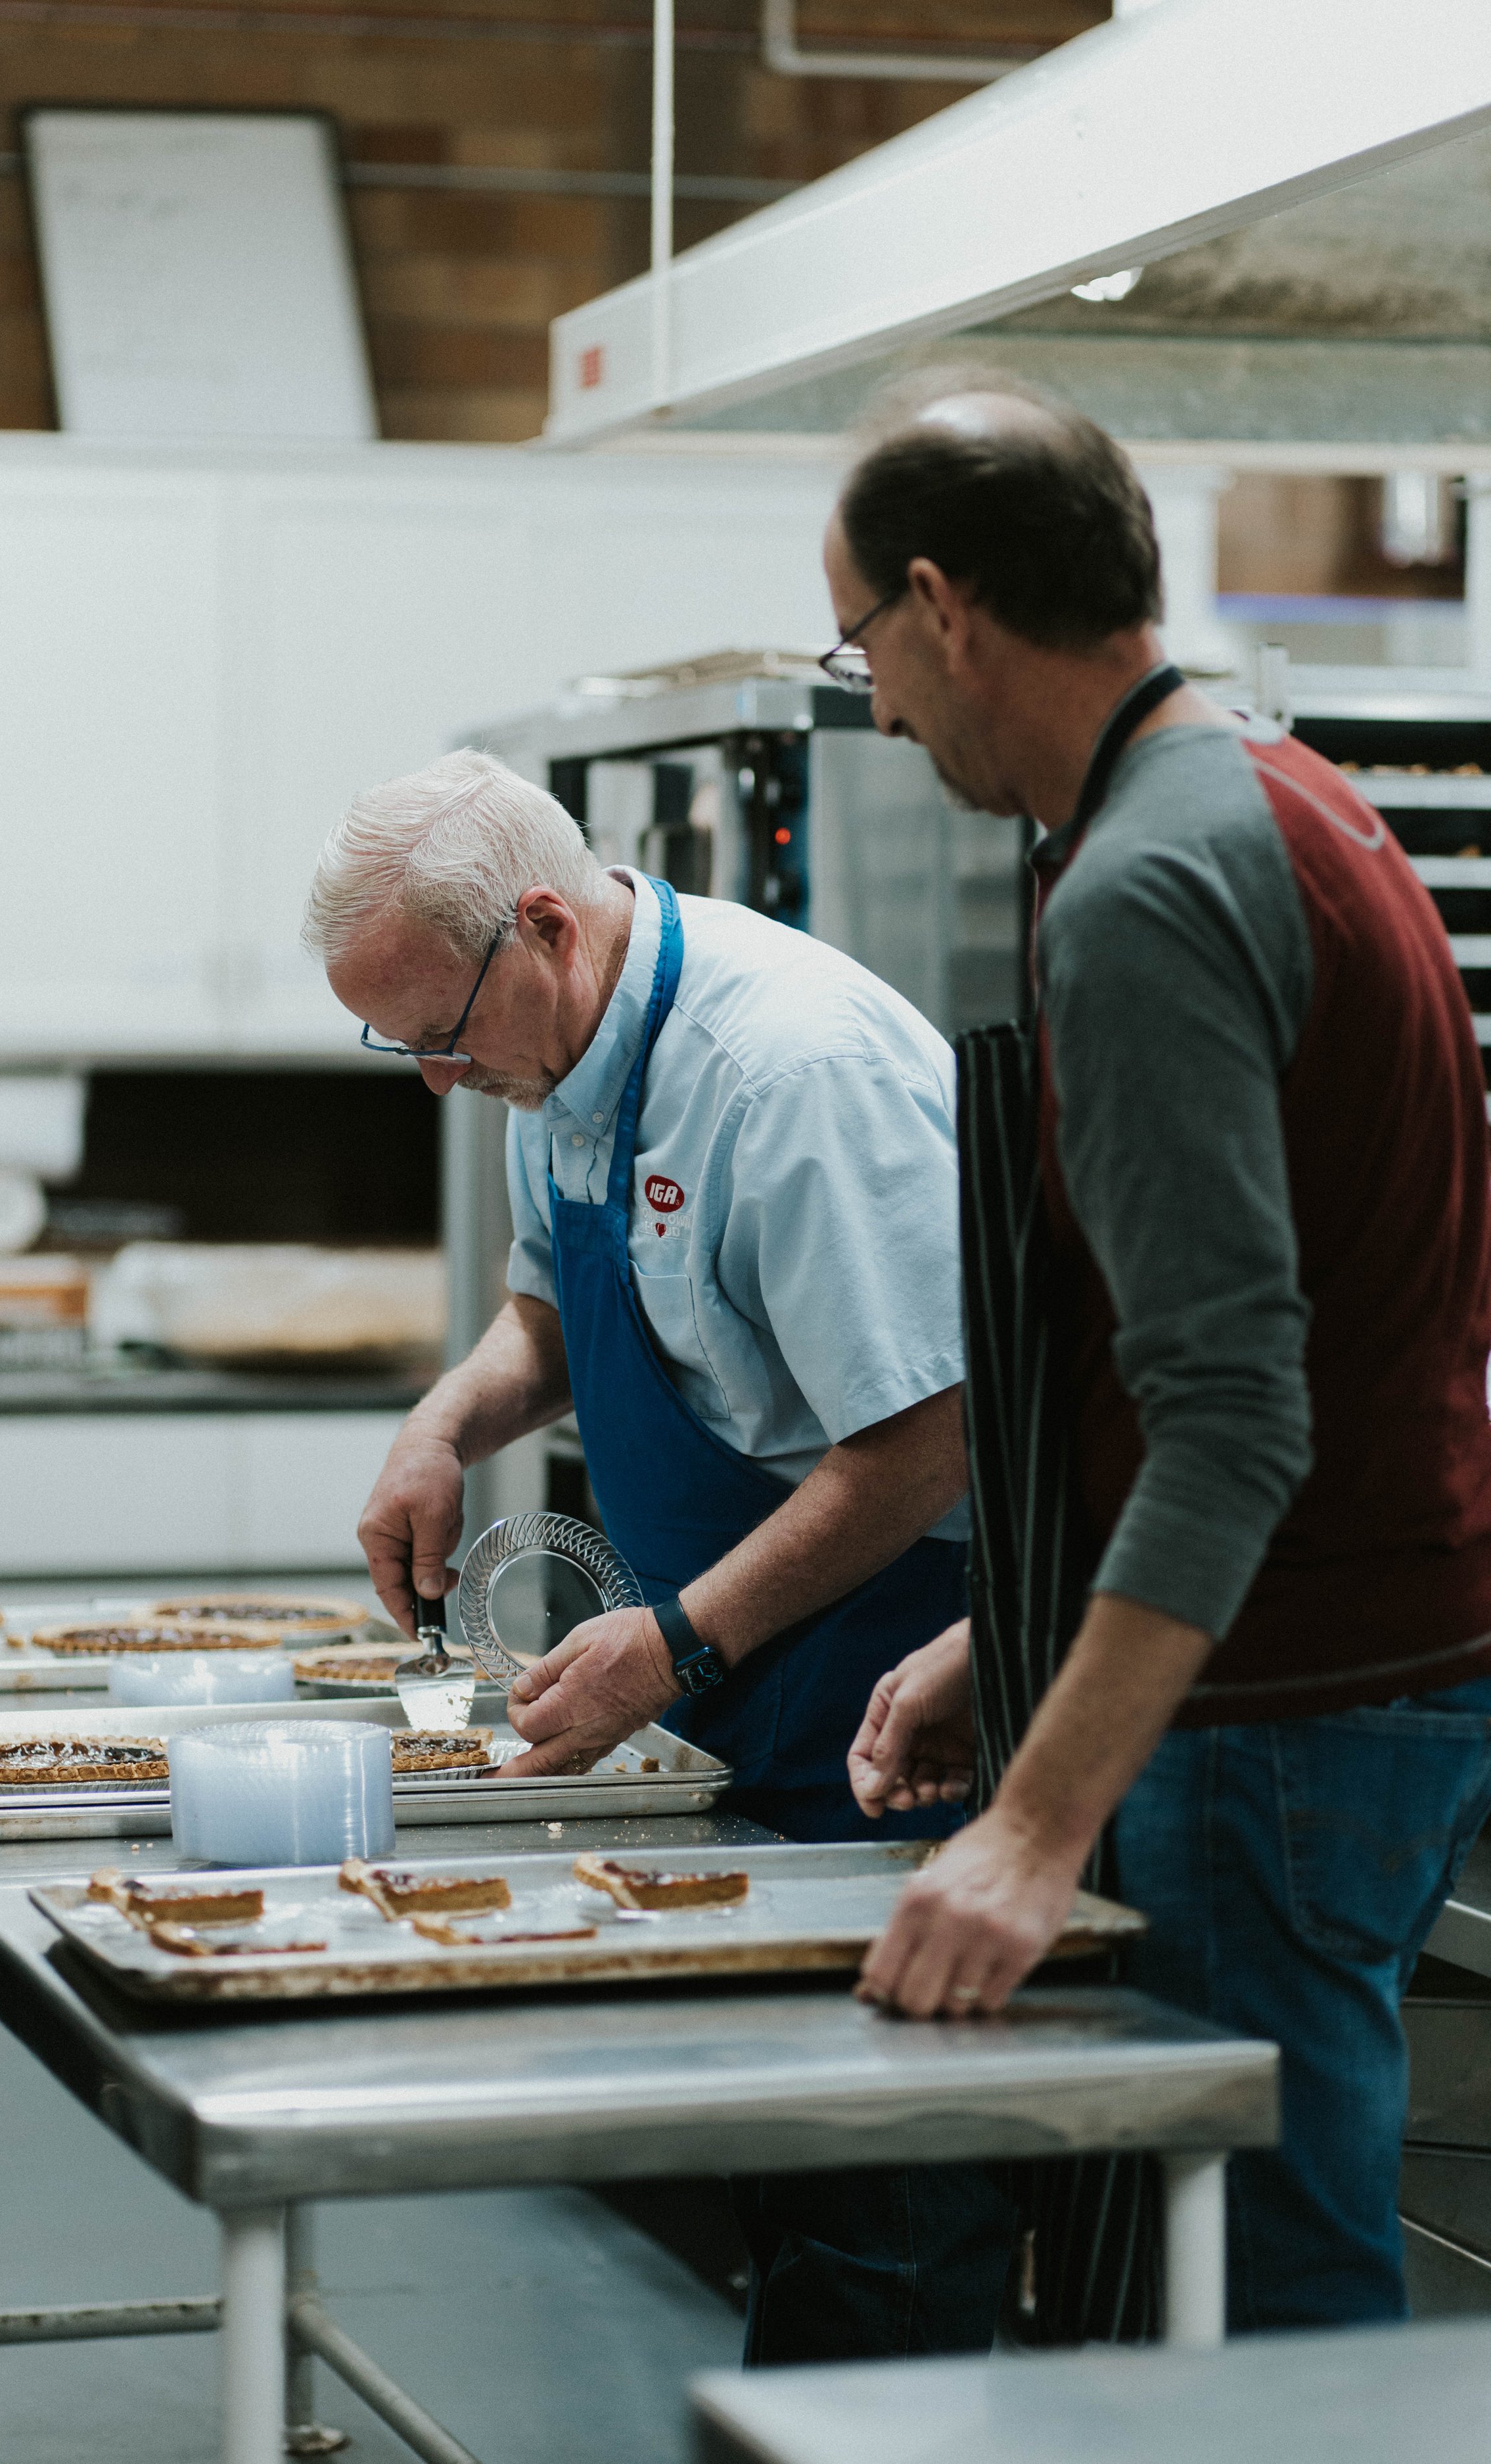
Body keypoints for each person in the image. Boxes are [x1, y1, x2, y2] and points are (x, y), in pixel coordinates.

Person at [830, 373, 1491, 2340]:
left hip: (1278, 1694)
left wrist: (1031, 1823)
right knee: (1227, 2267)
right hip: (1355, 1658)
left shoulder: (1140, 887)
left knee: (1255, 2297)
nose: (870, 703)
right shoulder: (1281, 799)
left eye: (858, 641)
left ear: (943, 605)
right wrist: (1013, 1627)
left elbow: (1229, 1414)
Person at [300, 746, 993, 2361]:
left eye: (437, 1033)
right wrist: (441, 1425)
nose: (430, 1076)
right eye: (392, 1039)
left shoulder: (787, 1074)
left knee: (881, 2195)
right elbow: (546, 1315)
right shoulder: (548, 1062)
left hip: (894, 1688)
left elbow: (926, 1438)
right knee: (781, 2161)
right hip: (742, 1691)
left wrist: (674, 1640)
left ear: (542, 924)